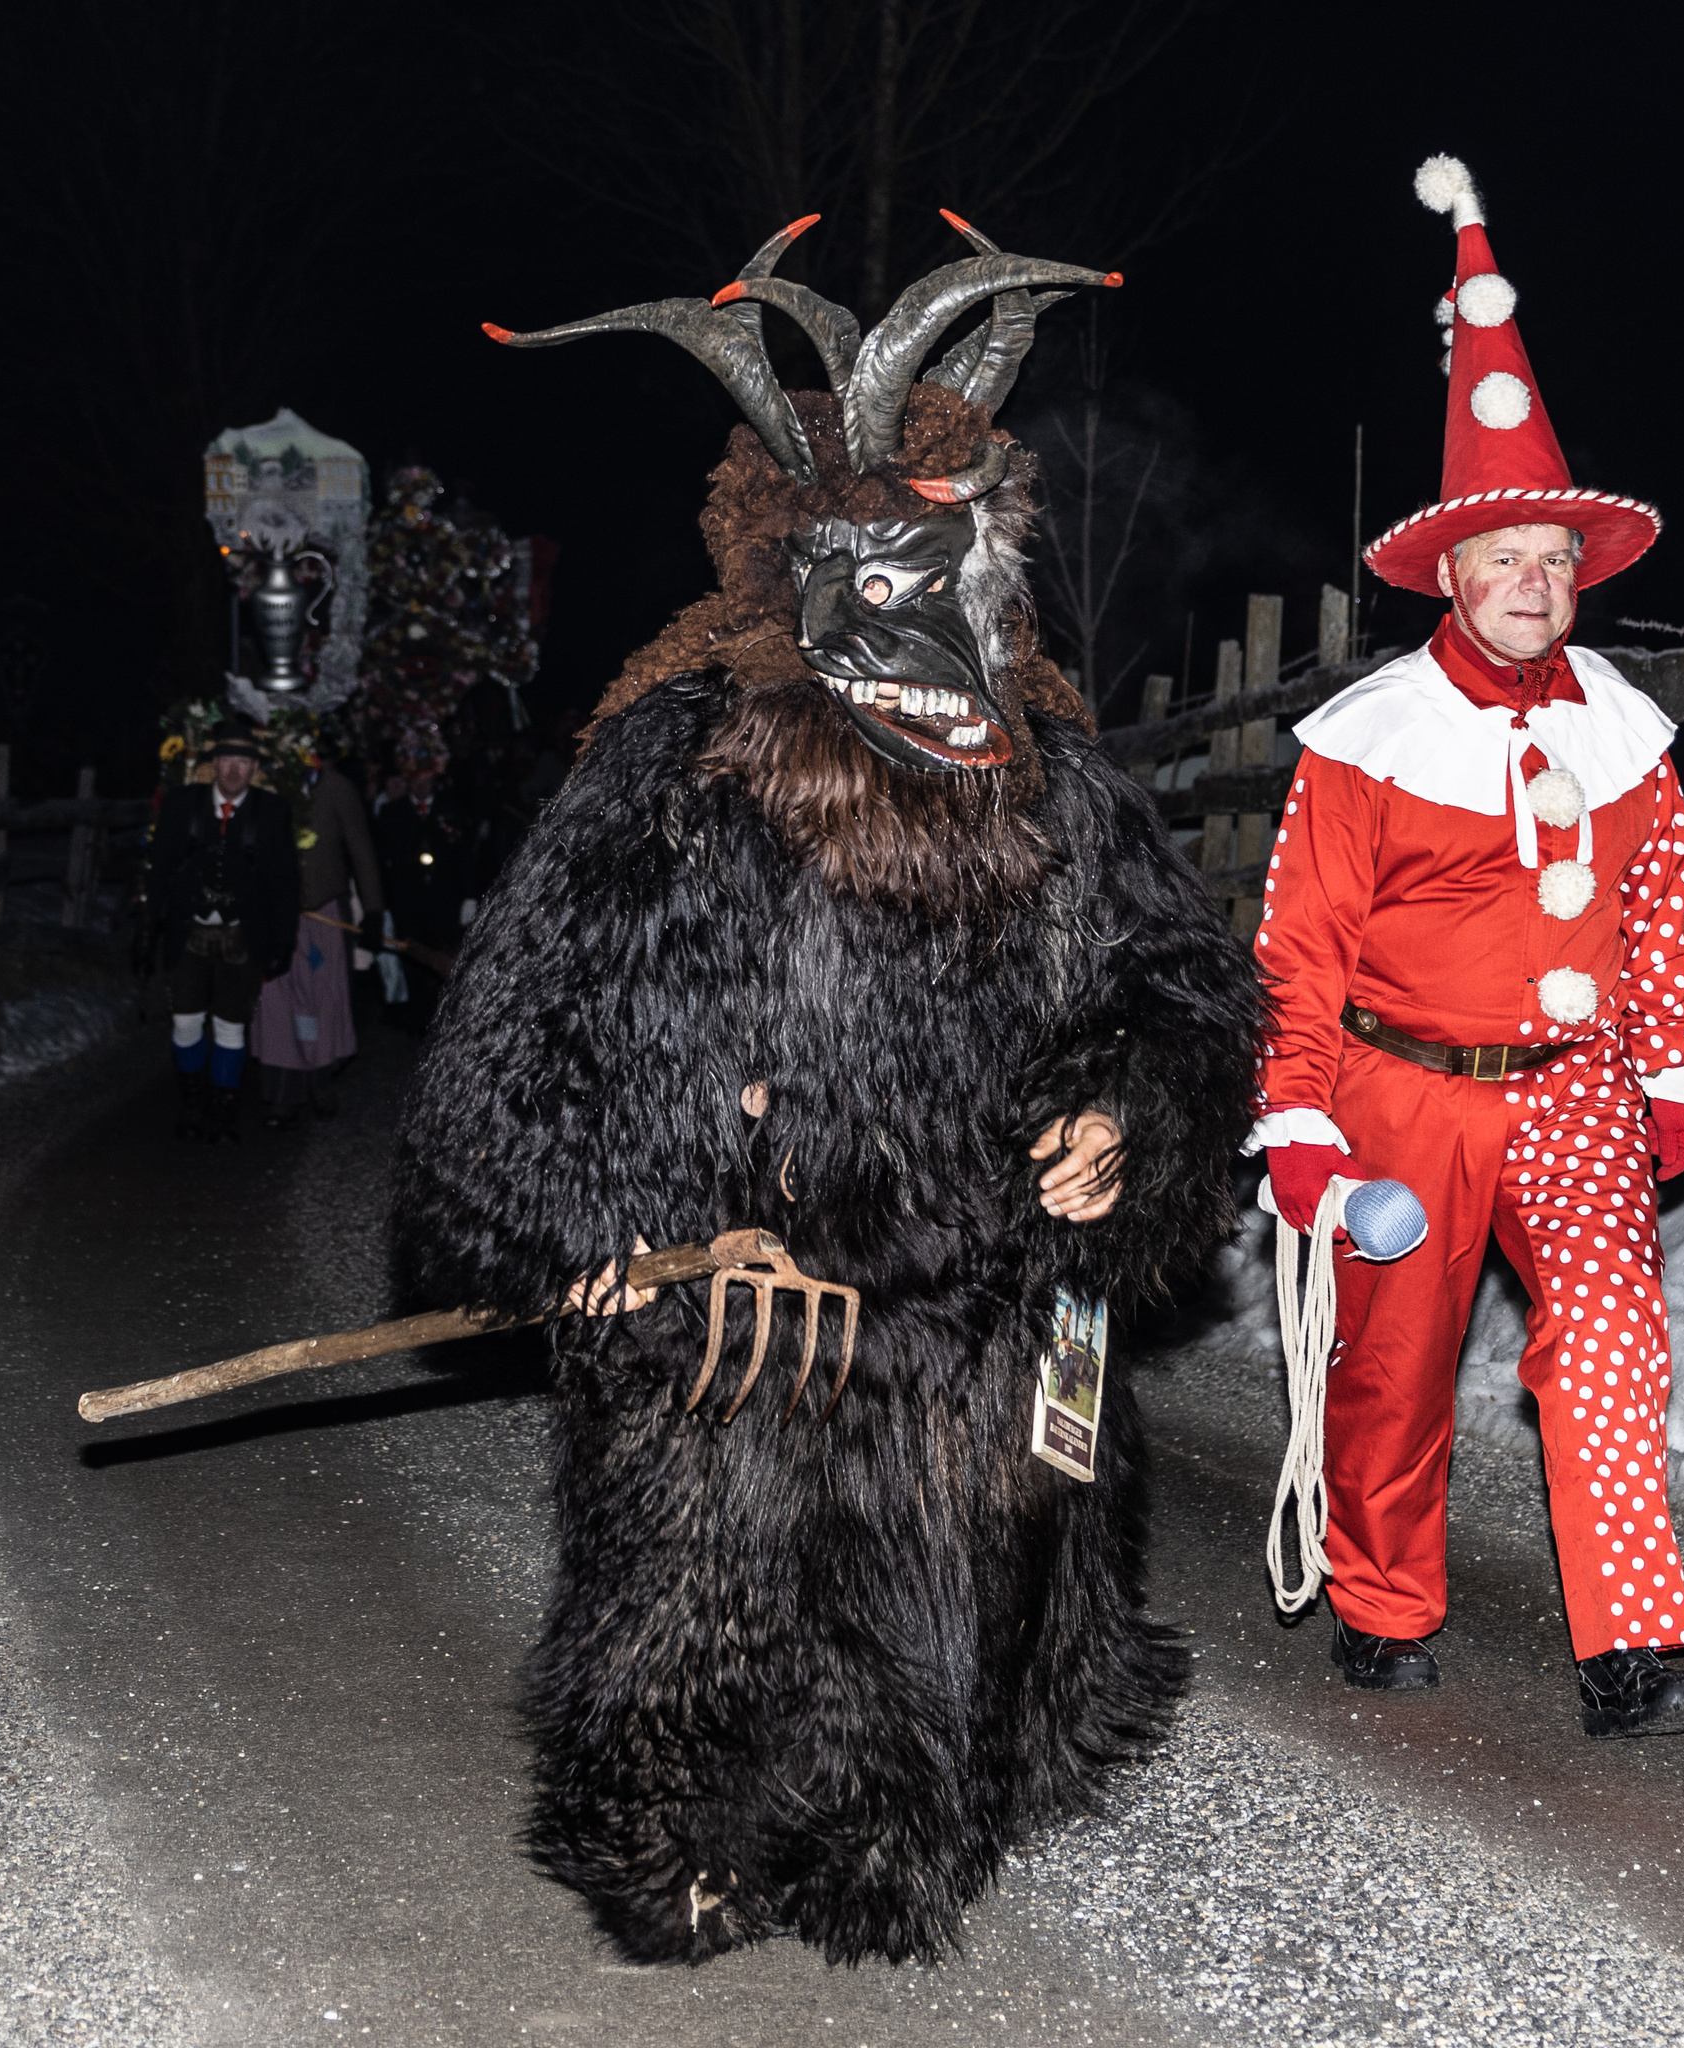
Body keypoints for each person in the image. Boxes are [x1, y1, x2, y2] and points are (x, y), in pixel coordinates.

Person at [390, 215, 1257, 1964]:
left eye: (956, 574)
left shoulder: (1059, 787)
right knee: (700, 1594)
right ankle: (672, 1835)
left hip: (967, 1309)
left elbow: (1184, 994)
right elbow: (520, 1040)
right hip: (734, 1302)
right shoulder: (675, 768)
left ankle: (892, 1819)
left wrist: (1129, 1110)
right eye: (875, 578)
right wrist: (590, 1231)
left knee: (950, 1614)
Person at [1250, 155, 1684, 1740]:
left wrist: (1671, 1066)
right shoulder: (1370, 739)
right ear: (1450, 572)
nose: (1534, 588)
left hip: (1576, 1088)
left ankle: (1631, 1650)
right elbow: (1300, 944)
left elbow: (1658, 905)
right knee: (1394, 1373)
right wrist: (1300, 1120)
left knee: (1607, 1343)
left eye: (1556, 565)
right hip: (1403, 1095)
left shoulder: (1631, 732)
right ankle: (1385, 1601)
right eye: (1505, 562)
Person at [145, 720, 300, 1142]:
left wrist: (283, 942)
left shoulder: (272, 812)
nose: (234, 770)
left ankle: (224, 1108)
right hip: (189, 931)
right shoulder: (182, 804)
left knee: (231, 1027)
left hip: (240, 937)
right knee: (186, 1023)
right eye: (227, 760)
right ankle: (192, 1104)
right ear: (213, 764)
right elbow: (158, 871)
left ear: (255, 769)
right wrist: (146, 933)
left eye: (244, 762)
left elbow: (285, 884)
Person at [250, 725, 387, 1126]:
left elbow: (361, 848)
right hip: (279, 915)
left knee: (324, 1001)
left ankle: (320, 1081)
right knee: (277, 1003)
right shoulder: (267, 787)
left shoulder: (337, 788)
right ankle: (281, 1094)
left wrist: (374, 910)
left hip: (326, 911)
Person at [372, 752, 473, 1029]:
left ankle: (445, 1017)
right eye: (415, 781)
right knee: (412, 956)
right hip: (408, 900)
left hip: (443, 899)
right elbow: (383, 860)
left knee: (443, 956)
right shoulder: (393, 812)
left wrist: (469, 896)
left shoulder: (451, 807)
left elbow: (464, 854)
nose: (421, 787)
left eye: (426, 780)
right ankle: (416, 1019)